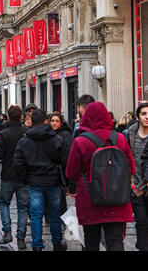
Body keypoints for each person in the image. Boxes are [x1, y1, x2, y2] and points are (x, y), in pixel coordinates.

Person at [66, 102, 135, 251]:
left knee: (91, 242)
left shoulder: (80, 141)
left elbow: (71, 172)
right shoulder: (120, 139)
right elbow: (131, 168)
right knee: (116, 241)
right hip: (117, 197)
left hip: (90, 198)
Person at [14, 109, 69, 251]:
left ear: (31, 122)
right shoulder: (56, 139)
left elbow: (18, 163)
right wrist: (66, 182)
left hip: (34, 182)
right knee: (54, 214)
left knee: (36, 215)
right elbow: (64, 160)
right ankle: (57, 242)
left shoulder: (24, 141)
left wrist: (26, 179)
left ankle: (37, 245)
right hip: (53, 181)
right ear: (46, 121)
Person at [0, 105, 28, 249]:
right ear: (21, 117)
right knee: (22, 208)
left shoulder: (3, 133)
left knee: (4, 203)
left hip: (8, 174)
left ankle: (7, 232)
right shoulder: (26, 133)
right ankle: (21, 238)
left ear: (8, 117)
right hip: (23, 176)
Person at [124, 102, 148, 251]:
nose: (147, 117)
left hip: (147, 184)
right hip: (134, 185)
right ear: (138, 117)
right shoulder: (129, 134)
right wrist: (131, 184)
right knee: (141, 220)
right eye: (144, 114)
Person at [49, 112, 74, 217]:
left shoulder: (65, 135)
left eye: (57, 121)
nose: (54, 123)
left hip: (60, 172)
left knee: (60, 199)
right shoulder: (49, 134)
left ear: (61, 123)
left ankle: (61, 220)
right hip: (51, 172)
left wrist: (67, 181)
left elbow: (67, 157)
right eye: (52, 121)